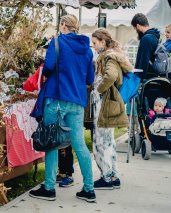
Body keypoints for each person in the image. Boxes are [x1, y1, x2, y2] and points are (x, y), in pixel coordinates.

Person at [29, 14, 96, 202]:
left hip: (57, 97)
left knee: (52, 142)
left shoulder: (57, 42)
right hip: (77, 101)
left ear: (64, 25)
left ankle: (49, 188)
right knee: (79, 144)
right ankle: (89, 189)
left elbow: (48, 66)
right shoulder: (87, 49)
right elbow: (90, 79)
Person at [90, 28, 131, 190]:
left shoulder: (109, 57)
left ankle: (107, 176)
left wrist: (98, 90)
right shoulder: (111, 55)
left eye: (95, 43)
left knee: (102, 141)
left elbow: (111, 76)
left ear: (103, 41)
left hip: (104, 103)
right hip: (105, 102)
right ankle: (112, 175)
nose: (93, 46)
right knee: (107, 140)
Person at [130, 13, 160, 80]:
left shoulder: (146, 39)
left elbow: (144, 62)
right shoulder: (154, 36)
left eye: (135, 29)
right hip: (152, 75)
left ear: (137, 26)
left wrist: (138, 79)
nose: (136, 31)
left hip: (146, 77)